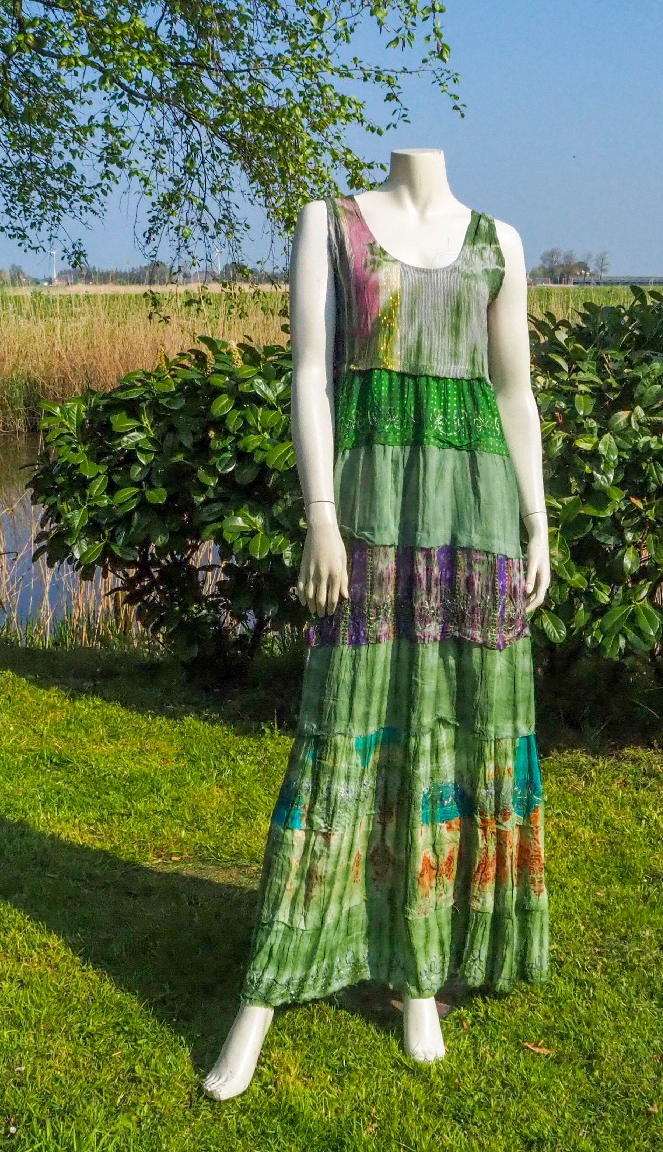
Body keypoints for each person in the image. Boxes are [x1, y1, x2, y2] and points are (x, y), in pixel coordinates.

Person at [203, 148, 552, 1101]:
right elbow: (309, 375)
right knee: (343, 722)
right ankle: (267, 988)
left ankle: (419, 972)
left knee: (456, 722)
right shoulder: (332, 222)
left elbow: (512, 391)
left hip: (476, 508)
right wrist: (319, 515)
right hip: (365, 500)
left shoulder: (498, 242)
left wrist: (536, 520)